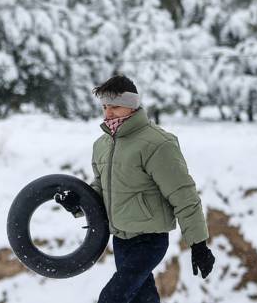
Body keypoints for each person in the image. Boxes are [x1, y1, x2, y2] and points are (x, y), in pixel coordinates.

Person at [55, 74, 214, 303]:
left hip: (149, 240)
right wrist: (77, 203)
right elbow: (101, 188)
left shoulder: (157, 144)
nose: (108, 113)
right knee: (143, 298)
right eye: (105, 107)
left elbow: (183, 194)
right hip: (120, 240)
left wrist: (198, 244)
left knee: (112, 298)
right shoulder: (102, 145)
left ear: (132, 106)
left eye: (115, 107)